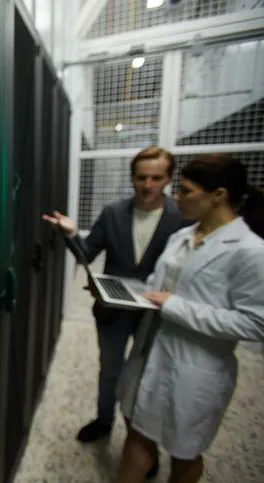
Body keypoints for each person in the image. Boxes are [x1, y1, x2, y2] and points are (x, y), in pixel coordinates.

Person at [116, 154, 264, 483]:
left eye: (186, 190)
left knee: (184, 451)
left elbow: (256, 324)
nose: (177, 197)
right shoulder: (181, 237)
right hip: (151, 349)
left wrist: (175, 307)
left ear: (219, 195)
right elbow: (159, 287)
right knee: (137, 432)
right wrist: (121, 293)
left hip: (197, 367)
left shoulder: (251, 251)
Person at [43, 146, 188, 453]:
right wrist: (70, 234)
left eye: (156, 178)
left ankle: (142, 442)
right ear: (132, 177)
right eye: (141, 177)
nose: (148, 185)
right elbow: (88, 254)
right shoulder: (113, 213)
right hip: (114, 309)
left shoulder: (183, 220)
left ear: (168, 179)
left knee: (150, 375)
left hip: (156, 313)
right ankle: (104, 420)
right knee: (110, 369)